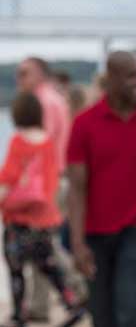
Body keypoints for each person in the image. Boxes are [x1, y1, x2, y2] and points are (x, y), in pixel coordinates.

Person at [67, 51, 136, 327]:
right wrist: (77, 243)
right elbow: (76, 189)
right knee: (102, 316)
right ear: (110, 79)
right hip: (94, 236)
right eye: (132, 76)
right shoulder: (83, 124)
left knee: (131, 313)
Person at [0, 92, 85, 327]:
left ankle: (19, 314)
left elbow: (9, 176)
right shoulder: (47, 142)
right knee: (49, 266)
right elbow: (51, 177)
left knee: (16, 269)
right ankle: (71, 302)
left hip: (19, 218)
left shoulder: (18, 141)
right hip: (44, 217)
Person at [15, 57, 75, 323]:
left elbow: (40, 149)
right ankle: (41, 305)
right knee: (44, 245)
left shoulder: (42, 102)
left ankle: (77, 289)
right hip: (56, 180)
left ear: (39, 73)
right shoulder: (56, 99)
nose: (20, 80)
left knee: (43, 246)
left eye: (24, 73)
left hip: (46, 185)